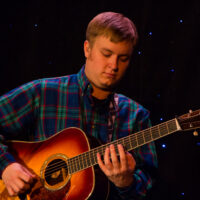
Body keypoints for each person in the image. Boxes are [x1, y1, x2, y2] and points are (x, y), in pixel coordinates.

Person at [0, 12, 157, 199]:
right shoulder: (43, 92)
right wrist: (6, 167)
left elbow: (147, 186)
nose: (114, 65)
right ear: (87, 49)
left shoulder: (135, 116)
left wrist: (126, 182)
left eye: (123, 58)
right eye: (106, 54)